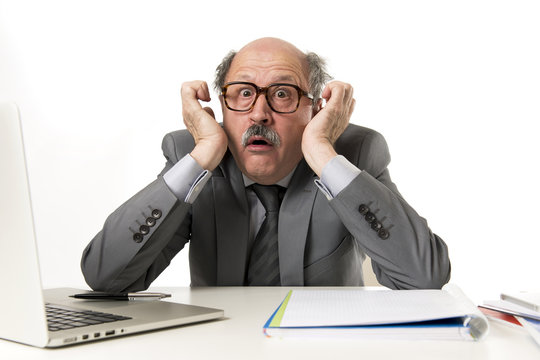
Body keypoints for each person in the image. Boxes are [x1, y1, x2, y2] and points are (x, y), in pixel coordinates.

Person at [81, 37, 451, 292]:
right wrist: (203, 155)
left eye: (282, 94)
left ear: (316, 109)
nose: (259, 113)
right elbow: (105, 276)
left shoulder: (353, 154)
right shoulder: (193, 158)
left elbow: (424, 277)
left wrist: (322, 152)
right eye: (243, 93)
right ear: (221, 105)